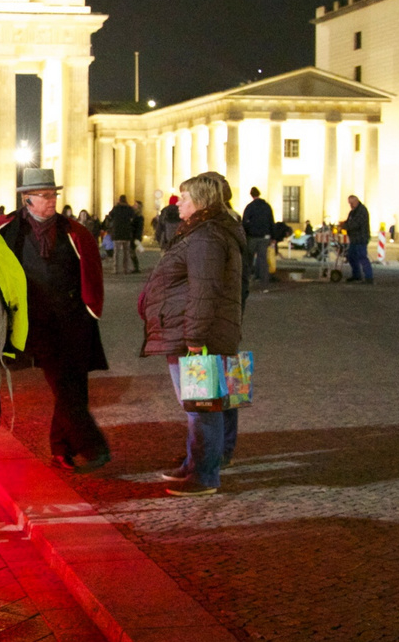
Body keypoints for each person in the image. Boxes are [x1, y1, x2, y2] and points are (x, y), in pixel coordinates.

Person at [0, 167, 111, 473]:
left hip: (74, 322)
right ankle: (93, 446)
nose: (51, 201)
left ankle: (61, 450)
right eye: (44, 196)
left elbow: (92, 272)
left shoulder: (74, 232)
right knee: (64, 386)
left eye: (53, 195)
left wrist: (90, 310)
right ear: (27, 200)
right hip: (36, 324)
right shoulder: (6, 232)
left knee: (75, 387)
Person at [138, 172, 245, 496]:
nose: (178, 203)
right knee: (211, 403)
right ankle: (197, 462)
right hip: (203, 331)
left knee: (202, 406)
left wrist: (195, 339)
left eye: (184, 197)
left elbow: (204, 290)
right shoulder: (207, 232)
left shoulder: (206, 237)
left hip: (195, 337)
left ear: (199, 202)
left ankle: (204, 476)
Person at [241, 187, 275, 288]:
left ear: (251, 195)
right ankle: (264, 284)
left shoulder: (250, 207)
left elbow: (244, 222)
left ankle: (246, 283)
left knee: (248, 259)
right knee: (263, 259)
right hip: (265, 237)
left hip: (252, 236)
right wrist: (272, 236)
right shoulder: (267, 206)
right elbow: (271, 222)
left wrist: (245, 235)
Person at [341, 195, 373, 282]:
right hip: (354, 239)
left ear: (357, 201)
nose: (351, 205)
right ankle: (356, 275)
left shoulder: (362, 211)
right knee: (351, 256)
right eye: (349, 203)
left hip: (361, 238)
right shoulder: (353, 212)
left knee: (362, 257)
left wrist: (344, 226)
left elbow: (355, 224)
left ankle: (369, 277)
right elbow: (349, 222)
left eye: (352, 203)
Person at [105, 194, 136, 274]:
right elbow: (133, 217)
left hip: (117, 233)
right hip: (126, 233)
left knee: (116, 253)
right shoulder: (129, 208)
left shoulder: (116, 208)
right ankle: (125, 269)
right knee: (126, 253)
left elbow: (110, 216)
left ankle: (115, 269)